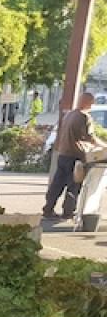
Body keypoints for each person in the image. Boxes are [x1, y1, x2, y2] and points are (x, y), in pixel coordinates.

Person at [43, 91, 107, 220]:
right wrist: (104, 146)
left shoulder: (69, 115)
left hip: (63, 154)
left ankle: (48, 208)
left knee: (57, 183)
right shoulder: (84, 117)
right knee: (73, 185)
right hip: (76, 156)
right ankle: (68, 212)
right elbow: (90, 137)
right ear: (88, 102)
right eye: (92, 102)